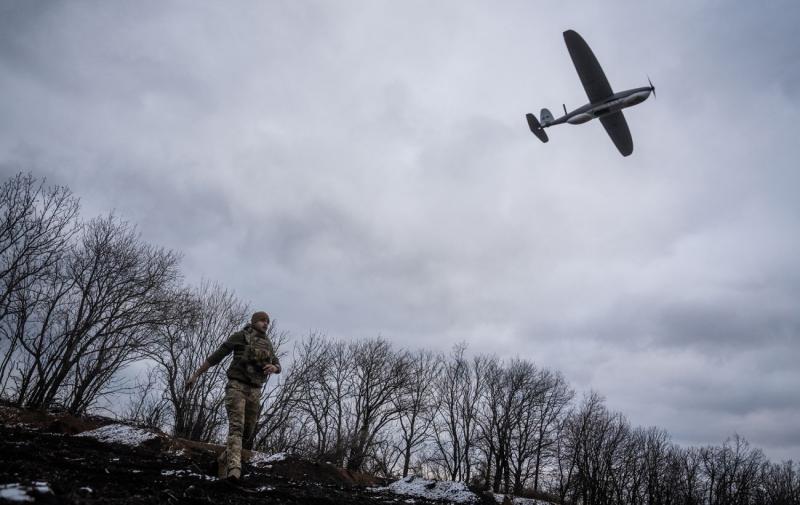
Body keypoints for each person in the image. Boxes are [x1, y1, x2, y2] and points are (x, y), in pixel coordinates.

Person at [186, 310, 281, 480]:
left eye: (268, 321)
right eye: (262, 320)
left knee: (248, 432)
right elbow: (217, 356)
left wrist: (274, 368)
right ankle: (234, 469)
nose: (265, 323)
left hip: (255, 391)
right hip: (236, 386)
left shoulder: (267, 343)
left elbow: (277, 364)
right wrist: (196, 374)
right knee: (236, 427)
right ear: (253, 322)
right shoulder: (240, 336)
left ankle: (224, 460)